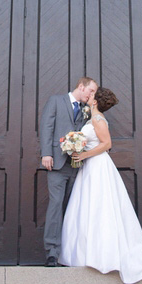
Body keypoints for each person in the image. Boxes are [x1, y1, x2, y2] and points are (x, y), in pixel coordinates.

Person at [59, 87, 142, 284]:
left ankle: (103, 254)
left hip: (98, 165)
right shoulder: (93, 117)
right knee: (88, 206)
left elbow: (107, 143)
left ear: (95, 102)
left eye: (92, 95)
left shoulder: (97, 119)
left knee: (100, 207)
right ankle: (86, 253)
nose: (89, 96)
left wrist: (83, 154)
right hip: (90, 167)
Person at [40, 76, 98, 267]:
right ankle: (51, 252)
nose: (92, 95)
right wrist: (46, 154)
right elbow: (46, 127)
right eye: (91, 91)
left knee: (73, 208)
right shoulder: (56, 101)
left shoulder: (86, 110)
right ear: (81, 87)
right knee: (56, 205)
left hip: (76, 165)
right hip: (56, 164)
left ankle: (70, 252)